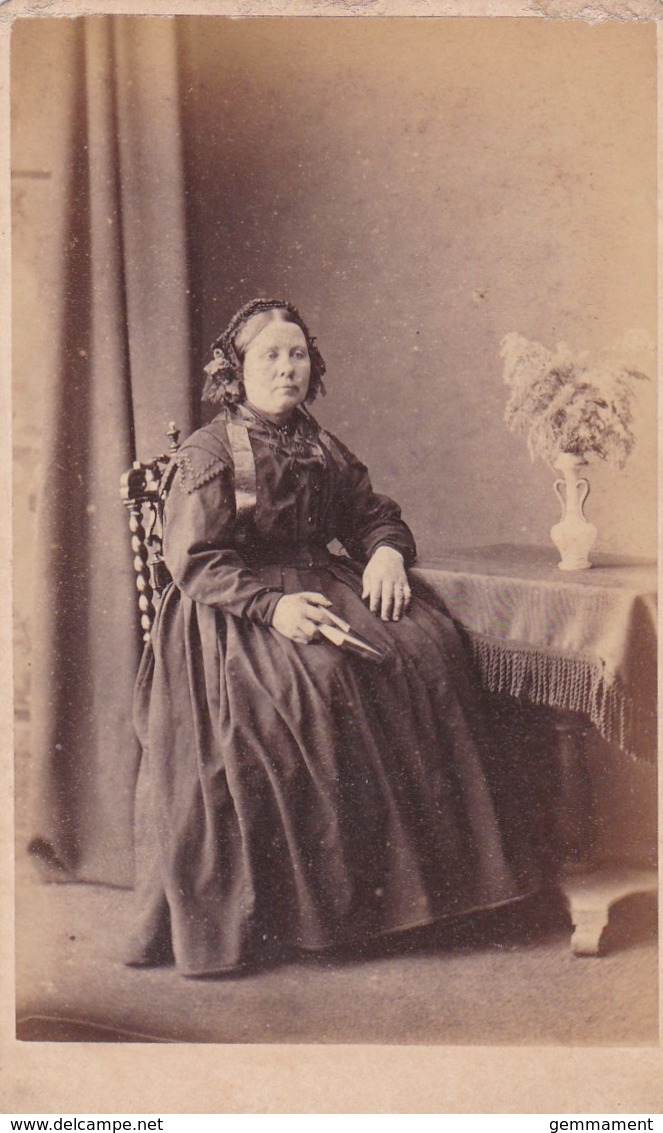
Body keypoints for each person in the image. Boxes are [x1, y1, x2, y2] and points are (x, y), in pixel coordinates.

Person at [127, 297, 539, 978]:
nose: (287, 369)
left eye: (297, 355)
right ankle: (332, 910)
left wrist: (384, 552)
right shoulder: (209, 452)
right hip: (235, 611)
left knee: (425, 647)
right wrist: (273, 608)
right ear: (236, 371)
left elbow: (372, 512)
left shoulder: (317, 443)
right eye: (270, 356)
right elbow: (197, 561)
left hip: (323, 580)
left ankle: (432, 893)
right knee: (315, 682)